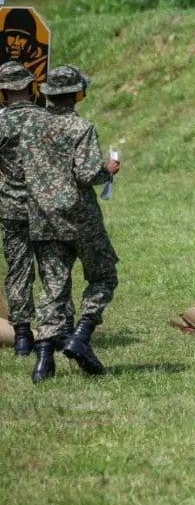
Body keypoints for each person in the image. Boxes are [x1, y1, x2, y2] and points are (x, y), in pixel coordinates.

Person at [20, 66, 121, 383]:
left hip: (42, 217)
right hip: (80, 216)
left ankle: (44, 360)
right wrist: (109, 170)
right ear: (78, 94)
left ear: (48, 93)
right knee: (103, 275)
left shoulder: (29, 127)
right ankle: (82, 335)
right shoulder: (81, 128)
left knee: (53, 287)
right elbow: (88, 174)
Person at [0, 61, 45, 355]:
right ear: (30, 88)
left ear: (3, 93)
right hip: (46, 207)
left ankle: (23, 337)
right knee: (53, 268)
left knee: (18, 271)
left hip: (11, 206)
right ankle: (57, 330)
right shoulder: (46, 119)